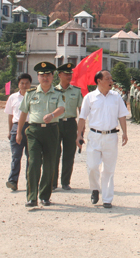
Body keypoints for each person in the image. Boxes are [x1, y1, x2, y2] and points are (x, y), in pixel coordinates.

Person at [76, 70, 129, 208]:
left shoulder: (116, 97)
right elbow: (82, 117)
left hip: (111, 136)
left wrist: (125, 132)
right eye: (107, 79)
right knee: (92, 166)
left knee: (108, 169)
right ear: (98, 81)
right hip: (94, 136)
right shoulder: (90, 97)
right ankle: (94, 188)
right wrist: (79, 135)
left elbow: (122, 115)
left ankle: (107, 199)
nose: (111, 81)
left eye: (111, 78)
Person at [16, 62, 65, 207]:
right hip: (34, 131)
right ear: (38, 76)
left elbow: (61, 108)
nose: (45, 78)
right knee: (34, 163)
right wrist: (19, 133)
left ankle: (45, 196)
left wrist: (52, 114)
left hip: (51, 130)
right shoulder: (30, 94)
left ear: (52, 77)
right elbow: (23, 113)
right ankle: (32, 197)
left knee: (49, 164)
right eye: (42, 75)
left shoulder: (58, 93)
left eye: (48, 75)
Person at [53, 63, 83, 191]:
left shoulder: (76, 91)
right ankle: (53, 182)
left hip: (71, 123)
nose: (69, 76)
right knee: (54, 153)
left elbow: (82, 112)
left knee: (69, 154)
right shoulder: (52, 91)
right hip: (55, 124)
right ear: (59, 75)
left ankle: (65, 181)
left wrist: (81, 133)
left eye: (70, 73)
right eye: (66, 74)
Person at [5, 73, 32, 191]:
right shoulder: (13, 97)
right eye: (22, 83)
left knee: (31, 157)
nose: (24, 85)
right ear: (18, 84)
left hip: (31, 127)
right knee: (16, 156)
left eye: (27, 83)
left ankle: (30, 182)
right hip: (16, 128)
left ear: (30, 84)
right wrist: (10, 131)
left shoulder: (34, 96)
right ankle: (13, 181)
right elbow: (10, 115)